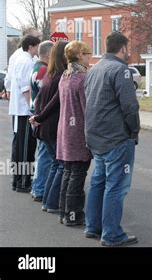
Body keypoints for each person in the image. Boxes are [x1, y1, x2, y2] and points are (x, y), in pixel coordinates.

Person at [84, 32, 140, 246]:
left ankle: (93, 226)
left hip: (96, 136)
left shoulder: (95, 68)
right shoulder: (120, 70)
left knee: (99, 182)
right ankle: (112, 234)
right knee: (116, 186)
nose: (129, 51)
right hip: (116, 137)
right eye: (128, 47)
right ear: (123, 48)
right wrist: (134, 130)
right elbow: (130, 106)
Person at [57, 41, 93, 226]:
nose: (90, 57)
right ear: (80, 55)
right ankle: (74, 214)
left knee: (68, 172)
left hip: (65, 130)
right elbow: (87, 109)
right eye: (87, 53)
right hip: (77, 133)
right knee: (77, 174)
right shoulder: (82, 78)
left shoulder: (65, 75)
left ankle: (64, 212)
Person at [30, 41, 68, 214]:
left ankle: (47, 199)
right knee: (60, 164)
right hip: (52, 127)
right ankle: (52, 202)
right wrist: (39, 117)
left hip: (44, 127)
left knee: (54, 163)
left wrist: (38, 118)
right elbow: (54, 103)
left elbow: (38, 101)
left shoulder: (49, 74)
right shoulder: (60, 76)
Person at [8, 35, 41, 192]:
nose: (38, 49)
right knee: (26, 148)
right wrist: (32, 107)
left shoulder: (21, 58)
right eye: (36, 46)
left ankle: (19, 181)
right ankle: (23, 182)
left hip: (20, 110)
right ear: (31, 47)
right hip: (24, 110)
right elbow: (25, 88)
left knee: (21, 146)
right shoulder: (26, 61)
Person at [30, 40, 54, 202]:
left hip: (38, 114)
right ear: (48, 54)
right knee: (45, 155)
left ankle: (38, 187)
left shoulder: (38, 68)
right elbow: (47, 94)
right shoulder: (43, 70)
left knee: (43, 153)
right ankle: (39, 188)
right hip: (42, 116)